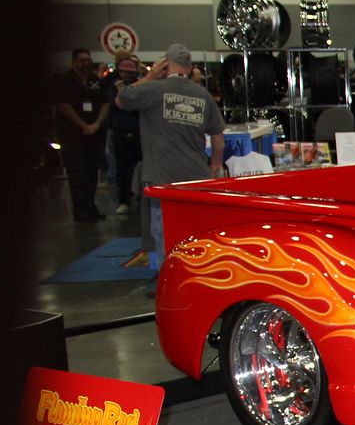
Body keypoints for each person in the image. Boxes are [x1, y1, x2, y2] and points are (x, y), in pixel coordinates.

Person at [116, 43, 225, 280]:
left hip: (162, 178)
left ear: (165, 63)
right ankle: (197, 277)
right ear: (189, 67)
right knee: (197, 231)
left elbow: (121, 99)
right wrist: (215, 165)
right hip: (196, 177)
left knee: (162, 231)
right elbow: (218, 139)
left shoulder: (153, 89)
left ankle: (168, 281)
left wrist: (150, 76)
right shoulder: (203, 95)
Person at [50, 47, 108, 221]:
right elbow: (64, 106)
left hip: (94, 135)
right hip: (72, 135)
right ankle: (80, 209)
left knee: (92, 173)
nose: (86, 63)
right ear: (74, 61)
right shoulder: (63, 80)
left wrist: (96, 124)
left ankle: (91, 207)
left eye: (88, 60)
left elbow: (105, 103)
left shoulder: (95, 81)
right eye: (82, 60)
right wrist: (83, 125)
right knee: (77, 173)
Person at [101, 57, 143, 214]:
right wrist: (121, 92)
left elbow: (137, 105)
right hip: (120, 133)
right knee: (121, 169)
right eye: (124, 72)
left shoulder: (140, 86)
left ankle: (141, 199)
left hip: (138, 133)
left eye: (130, 73)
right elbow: (117, 104)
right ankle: (123, 200)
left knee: (139, 169)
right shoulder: (113, 87)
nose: (127, 75)